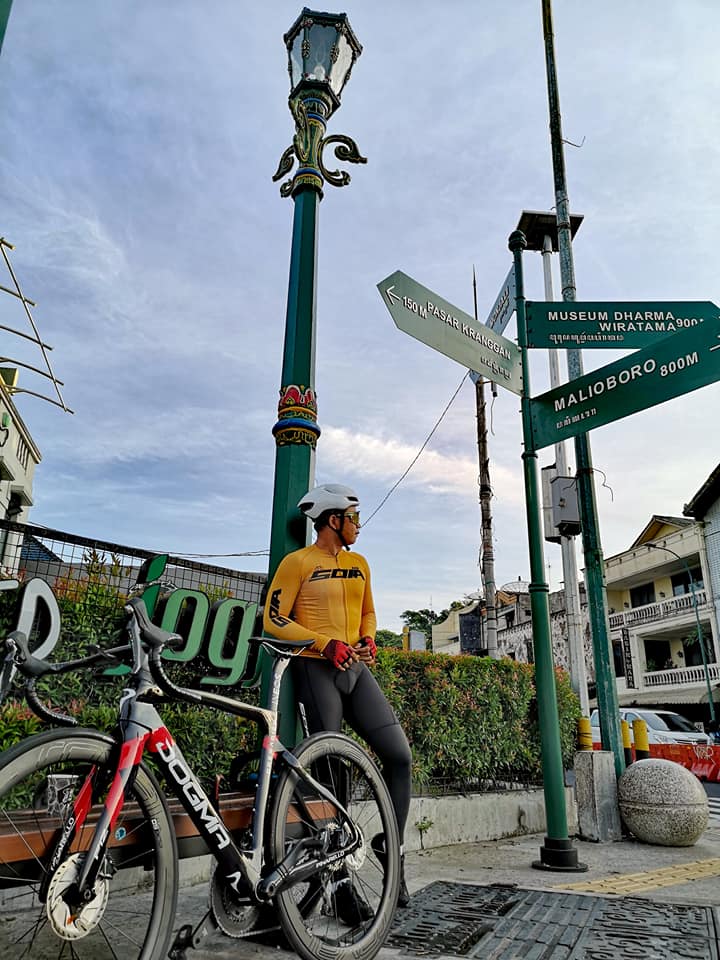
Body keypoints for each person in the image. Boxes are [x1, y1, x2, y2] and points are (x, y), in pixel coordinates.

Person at [263, 483, 412, 917]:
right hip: (316, 669)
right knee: (333, 776)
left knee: (399, 756)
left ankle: (392, 847)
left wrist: (368, 637)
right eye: (353, 517)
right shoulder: (298, 563)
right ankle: (340, 886)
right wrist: (323, 643)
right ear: (333, 520)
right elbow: (273, 619)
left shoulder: (359, 564)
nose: (358, 525)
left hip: (355, 670)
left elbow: (368, 611)